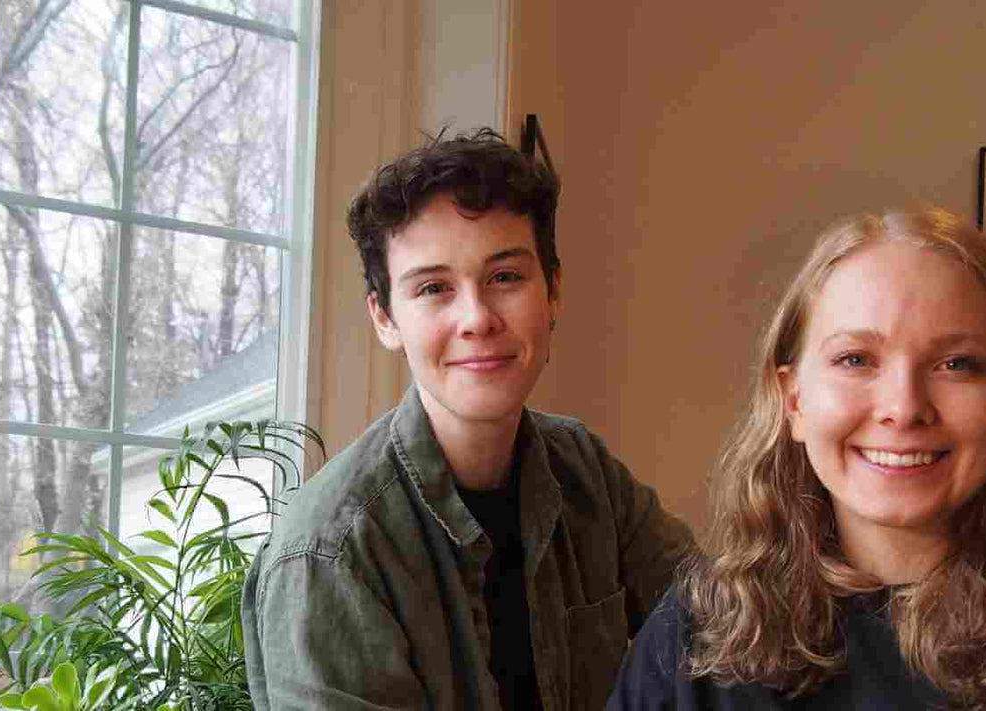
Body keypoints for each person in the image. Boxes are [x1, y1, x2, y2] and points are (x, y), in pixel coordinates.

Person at [608, 207, 986, 710]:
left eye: (956, 364)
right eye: (855, 360)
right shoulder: (696, 631)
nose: (903, 407)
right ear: (792, 398)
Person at [242, 129, 696, 710]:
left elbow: (726, 631)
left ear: (552, 290)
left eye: (505, 277)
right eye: (433, 288)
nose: (477, 318)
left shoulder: (587, 473)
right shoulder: (329, 553)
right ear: (384, 319)